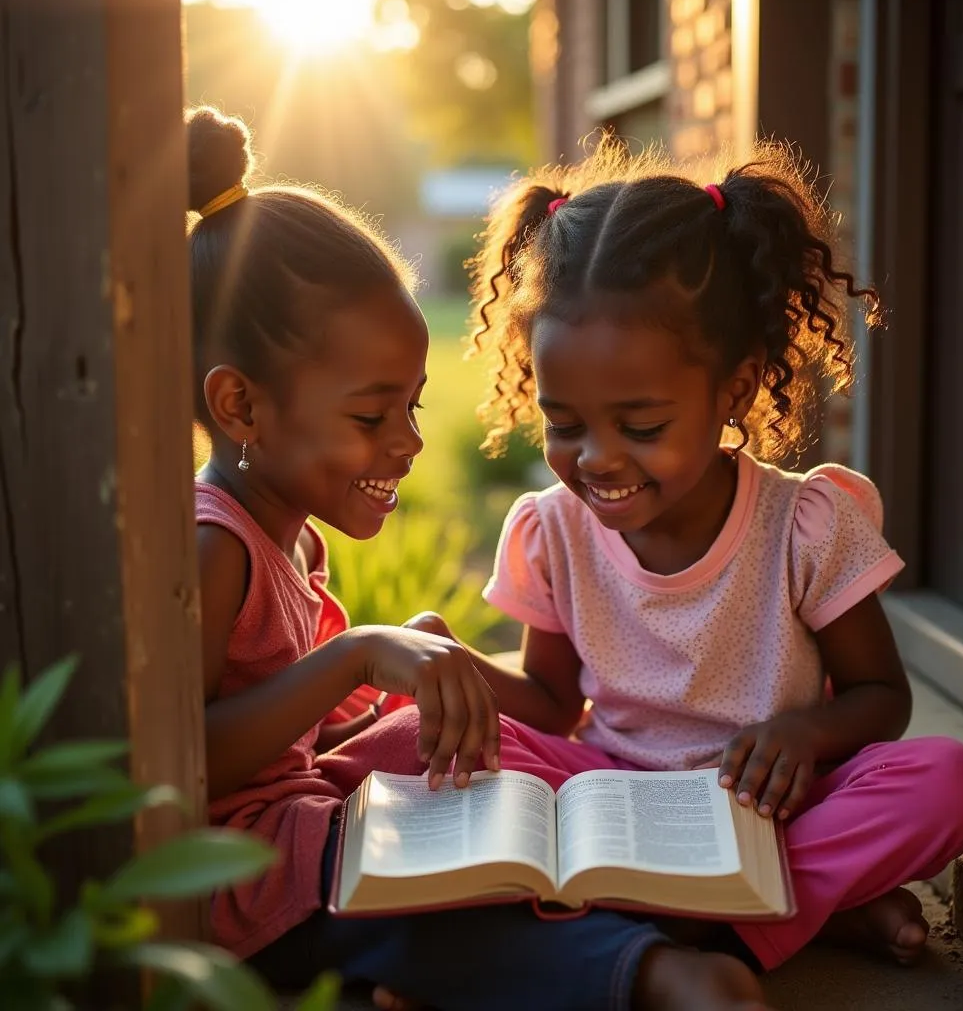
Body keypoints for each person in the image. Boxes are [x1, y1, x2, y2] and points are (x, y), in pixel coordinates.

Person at [190, 106, 772, 1011]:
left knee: (484, 762)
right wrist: (356, 654)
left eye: (412, 409)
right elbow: (183, 766)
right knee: (425, 900)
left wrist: (400, 675)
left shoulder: (287, 532)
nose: (408, 444)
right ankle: (648, 971)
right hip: (243, 879)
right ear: (241, 408)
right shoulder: (215, 545)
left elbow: (295, 732)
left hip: (306, 826)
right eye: (371, 416)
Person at [403, 135, 963, 980]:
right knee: (395, 742)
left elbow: (882, 698)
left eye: (640, 427)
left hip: (769, 807)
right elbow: (549, 704)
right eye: (564, 423)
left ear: (736, 389)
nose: (596, 459)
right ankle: (809, 908)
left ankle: (693, 934)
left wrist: (805, 732)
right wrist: (448, 665)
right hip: (610, 799)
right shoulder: (554, 530)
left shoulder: (805, 525)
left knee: (948, 781)